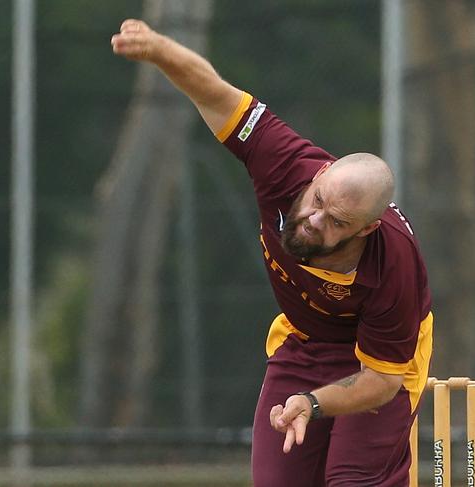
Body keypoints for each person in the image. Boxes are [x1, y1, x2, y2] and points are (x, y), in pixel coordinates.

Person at [111, 19, 433, 487]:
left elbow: (381, 381)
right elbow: (216, 94)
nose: (315, 220)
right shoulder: (285, 162)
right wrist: (160, 50)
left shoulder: (392, 266)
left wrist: (315, 403)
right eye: (318, 201)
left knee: (351, 480)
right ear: (319, 177)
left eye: (337, 222)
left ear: (366, 228)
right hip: (305, 340)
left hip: (380, 364)